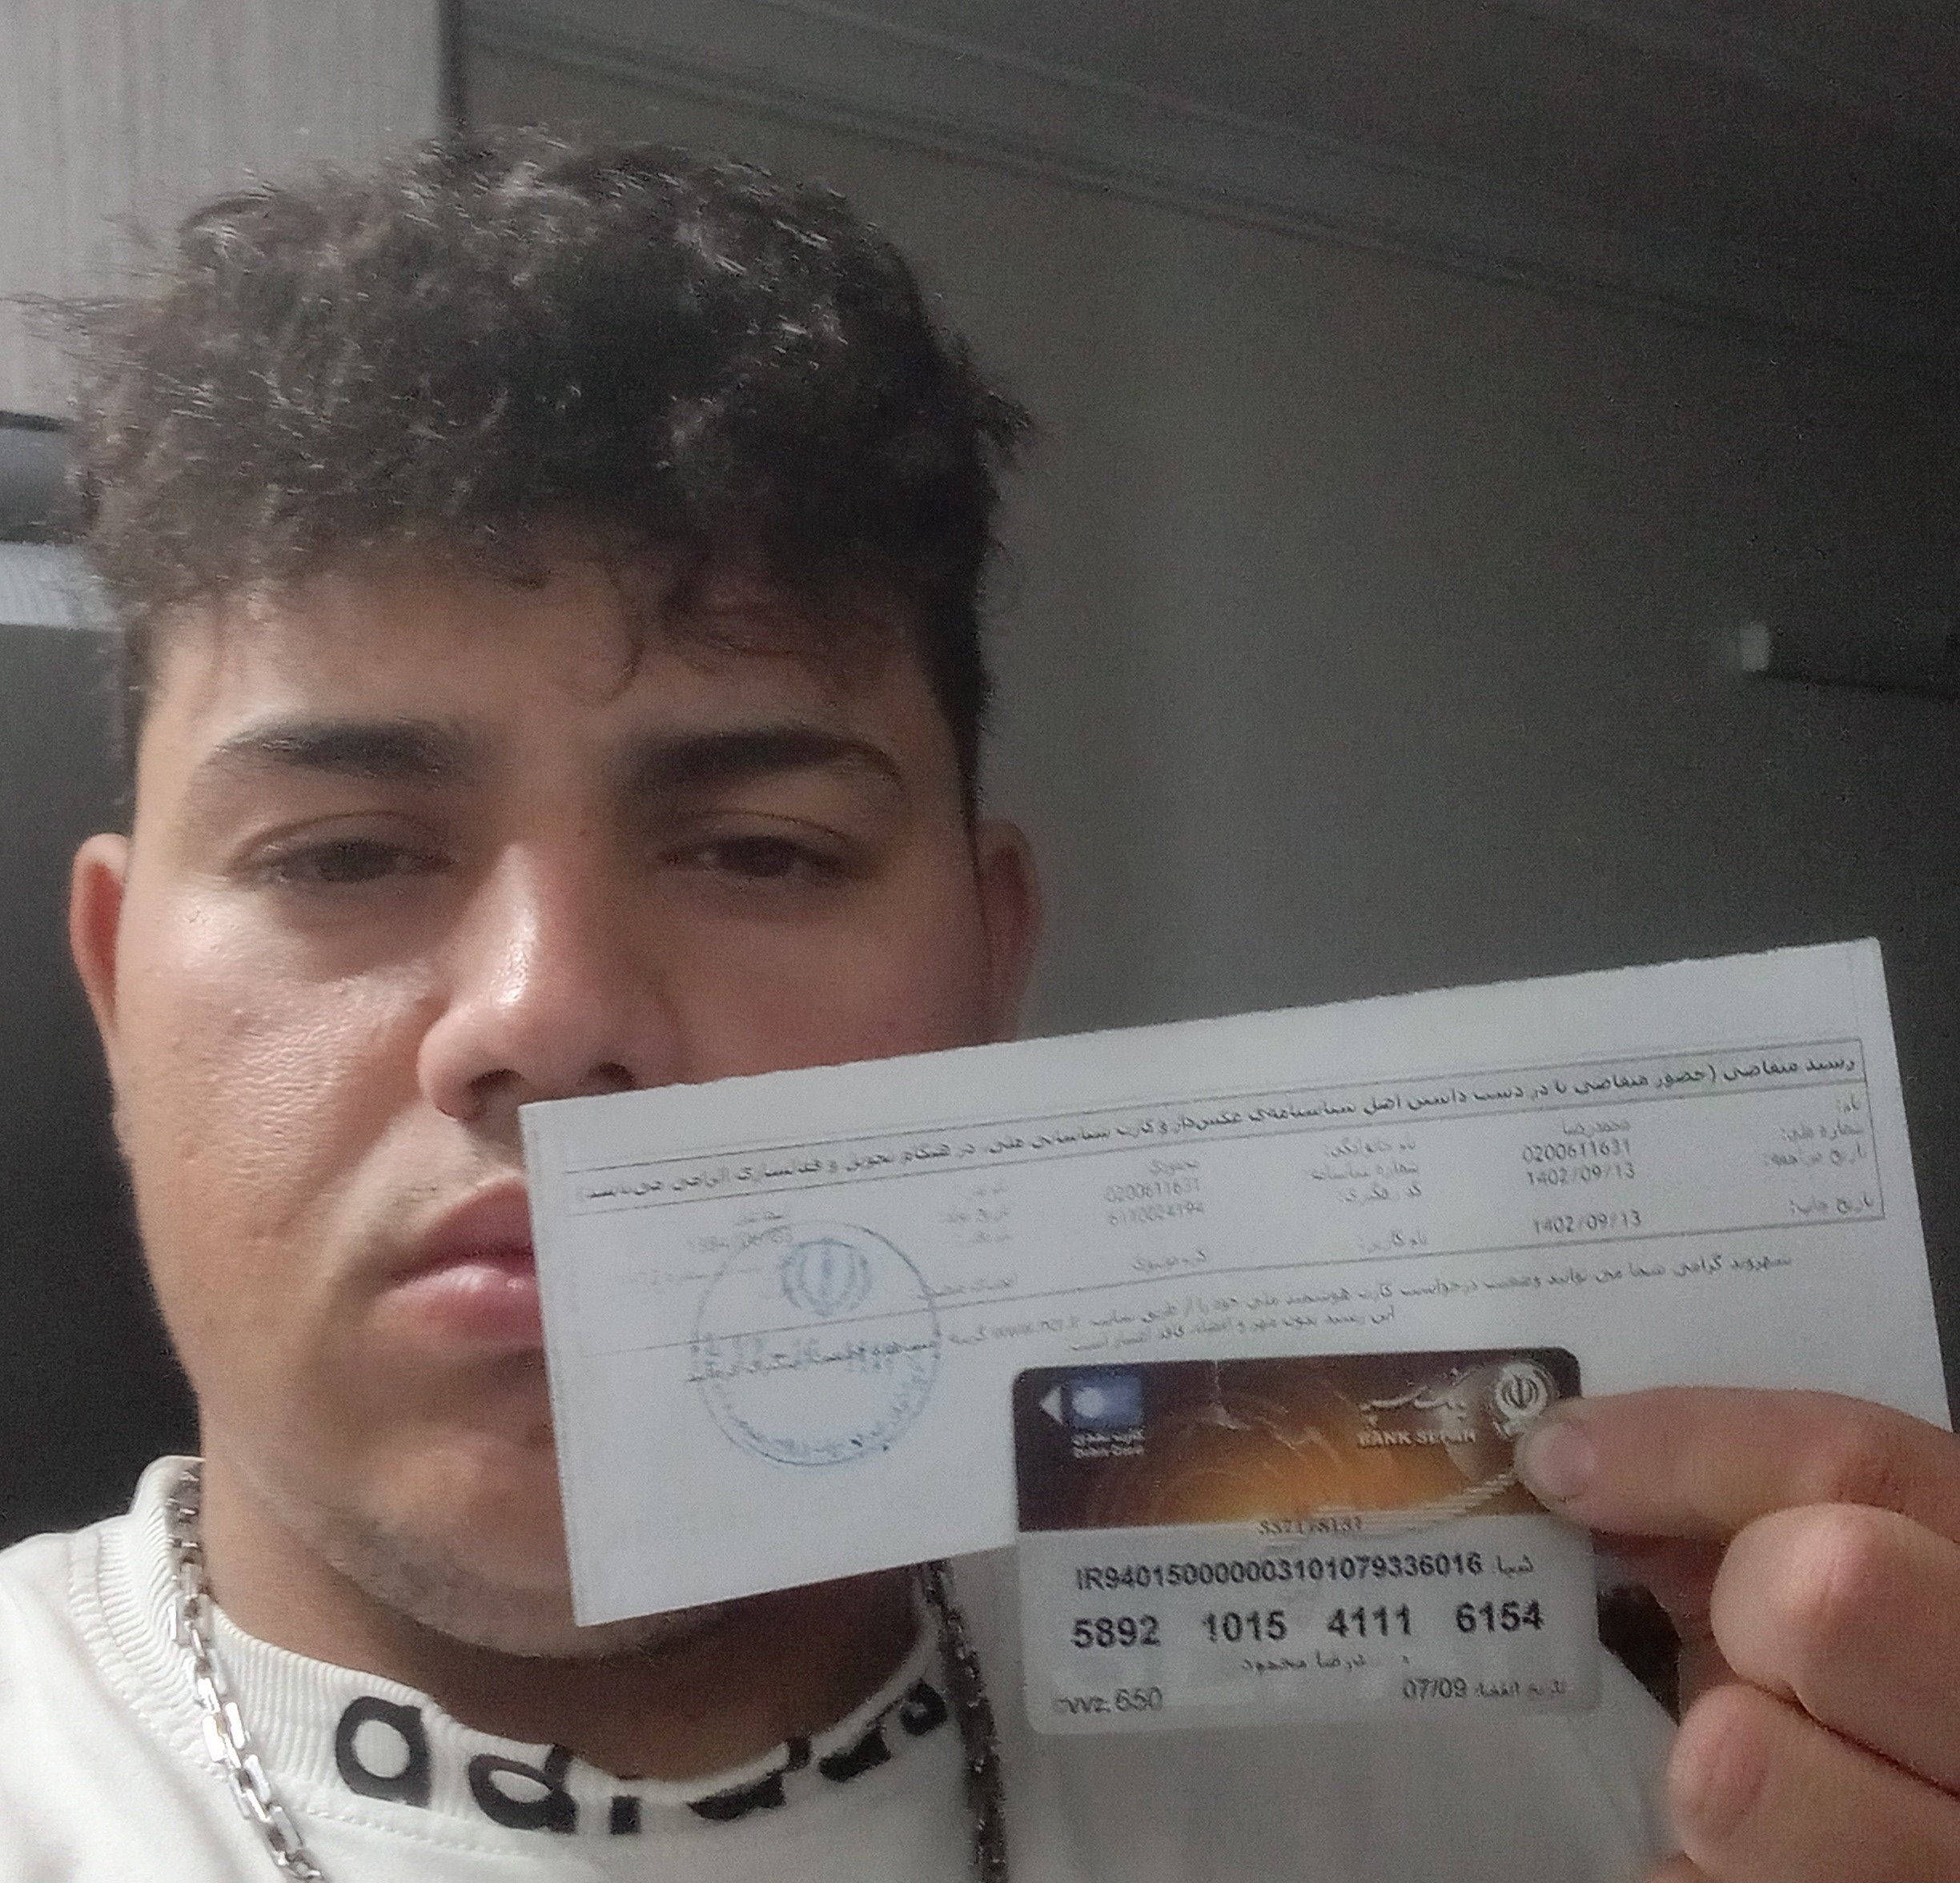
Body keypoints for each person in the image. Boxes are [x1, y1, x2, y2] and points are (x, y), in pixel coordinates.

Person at [2, 130, 1956, 1882]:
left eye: (760, 850)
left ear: (990, 967)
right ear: (111, 981)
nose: (549, 1014)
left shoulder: (1507, 1766)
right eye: (343, 854)